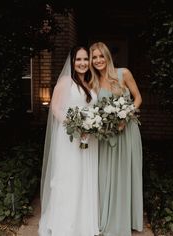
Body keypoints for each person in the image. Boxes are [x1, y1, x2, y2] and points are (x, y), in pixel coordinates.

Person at [38, 46, 99, 236]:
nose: (82, 63)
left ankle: (84, 223)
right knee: (69, 178)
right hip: (69, 138)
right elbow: (55, 109)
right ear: (72, 62)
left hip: (89, 139)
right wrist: (75, 125)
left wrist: (90, 125)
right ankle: (65, 225)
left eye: (85, 59)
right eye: (78, 60)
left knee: (85, 177)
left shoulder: (90, 82)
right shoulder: (65, 81)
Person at [89, 42, 143, 236]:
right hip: (107, 135)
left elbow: (138, 98)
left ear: (107, 57)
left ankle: (126, 220)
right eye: (94, 57)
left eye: (100, 56)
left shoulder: (124, 73)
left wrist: (125, 116)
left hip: (127, 132)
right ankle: (108, 218)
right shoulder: (92, 83)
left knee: (125, 173)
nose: (98, 60)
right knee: (106, 175)